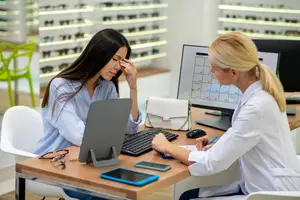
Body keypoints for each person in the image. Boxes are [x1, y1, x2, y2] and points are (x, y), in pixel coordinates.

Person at [152, 32, 300, 200]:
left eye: (215, 66)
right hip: (262, 182)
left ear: (234, 72)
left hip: (270, 192)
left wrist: (167, 147)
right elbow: (245, 135)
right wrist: (220, 144)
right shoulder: (259, 93)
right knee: (188, 194)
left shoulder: (256, 107)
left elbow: (211, 163)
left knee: (187, 198)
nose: (211, 70)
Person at [34, 28, 142, 200]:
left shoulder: (106, 87)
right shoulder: (60, 86)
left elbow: (129, 128)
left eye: (122, 61)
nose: (118, 67)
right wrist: (109, 134)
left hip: (89, 162)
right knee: (105, 193)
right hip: (55, 164)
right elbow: (78, 136)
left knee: (126, 188)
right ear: (98, 54)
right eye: (115, 59)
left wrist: (133, 87)